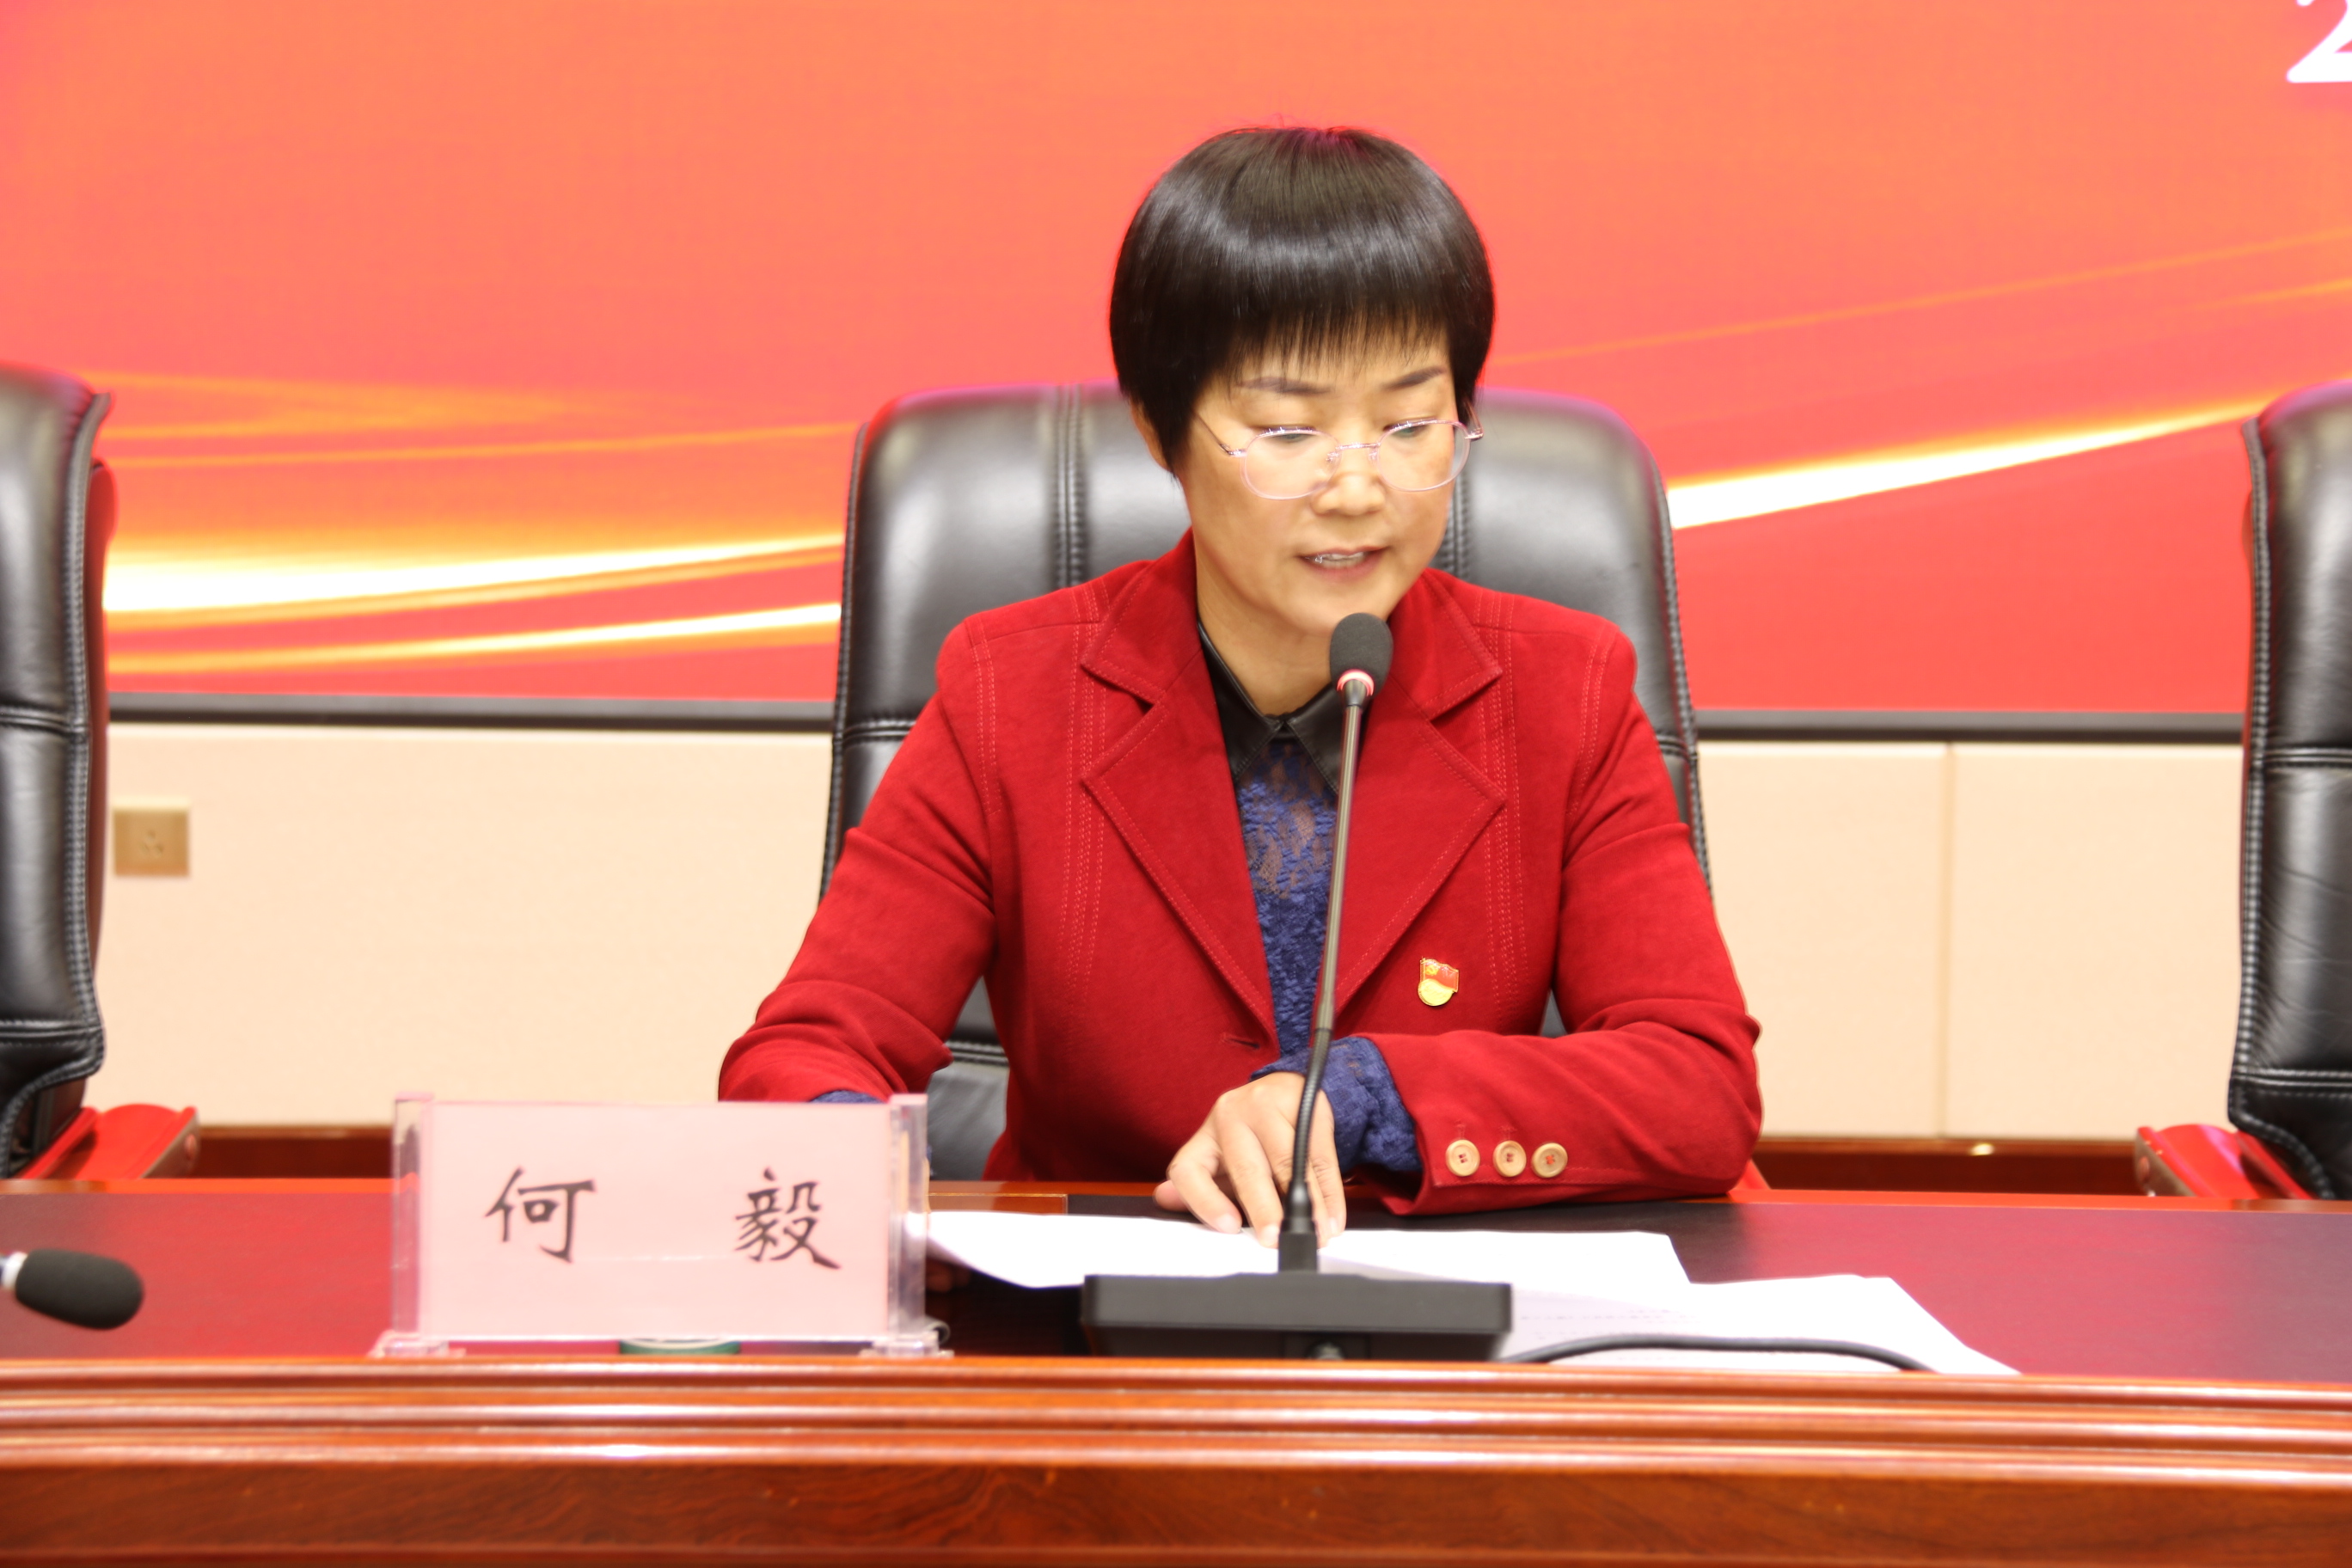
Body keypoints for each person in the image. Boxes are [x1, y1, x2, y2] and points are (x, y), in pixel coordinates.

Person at [720, 126, 1760, 1243]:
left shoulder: (1566, 692)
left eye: (1411, 424)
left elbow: (1697, 1084)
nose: (1357, 488)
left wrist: (1360, 1100)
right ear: (1159, 430)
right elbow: (809, 1049)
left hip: (1439, 1310)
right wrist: (860, 1184)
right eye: (1287, 429)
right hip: (1096, 1314)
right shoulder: (1009, 692)